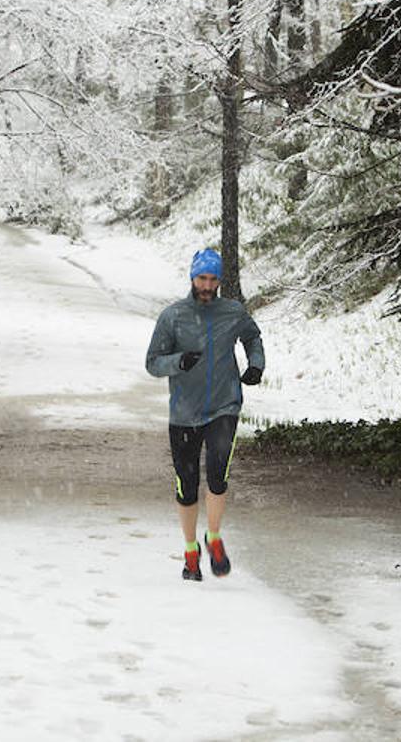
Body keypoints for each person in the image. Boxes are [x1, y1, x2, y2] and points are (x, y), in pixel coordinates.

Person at [145, 248, 264, 581]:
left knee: (217, 473)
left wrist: (256, 365)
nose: (208, 285)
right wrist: (178, 361)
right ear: (192, 278)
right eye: (202, 278)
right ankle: (190, 550)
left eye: (213, 279)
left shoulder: (233, 312)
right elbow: (152, 361)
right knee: (187, 485)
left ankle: (213, 538)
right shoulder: (173, 316)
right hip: (184, 412)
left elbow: (252, 337)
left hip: (224, 406)